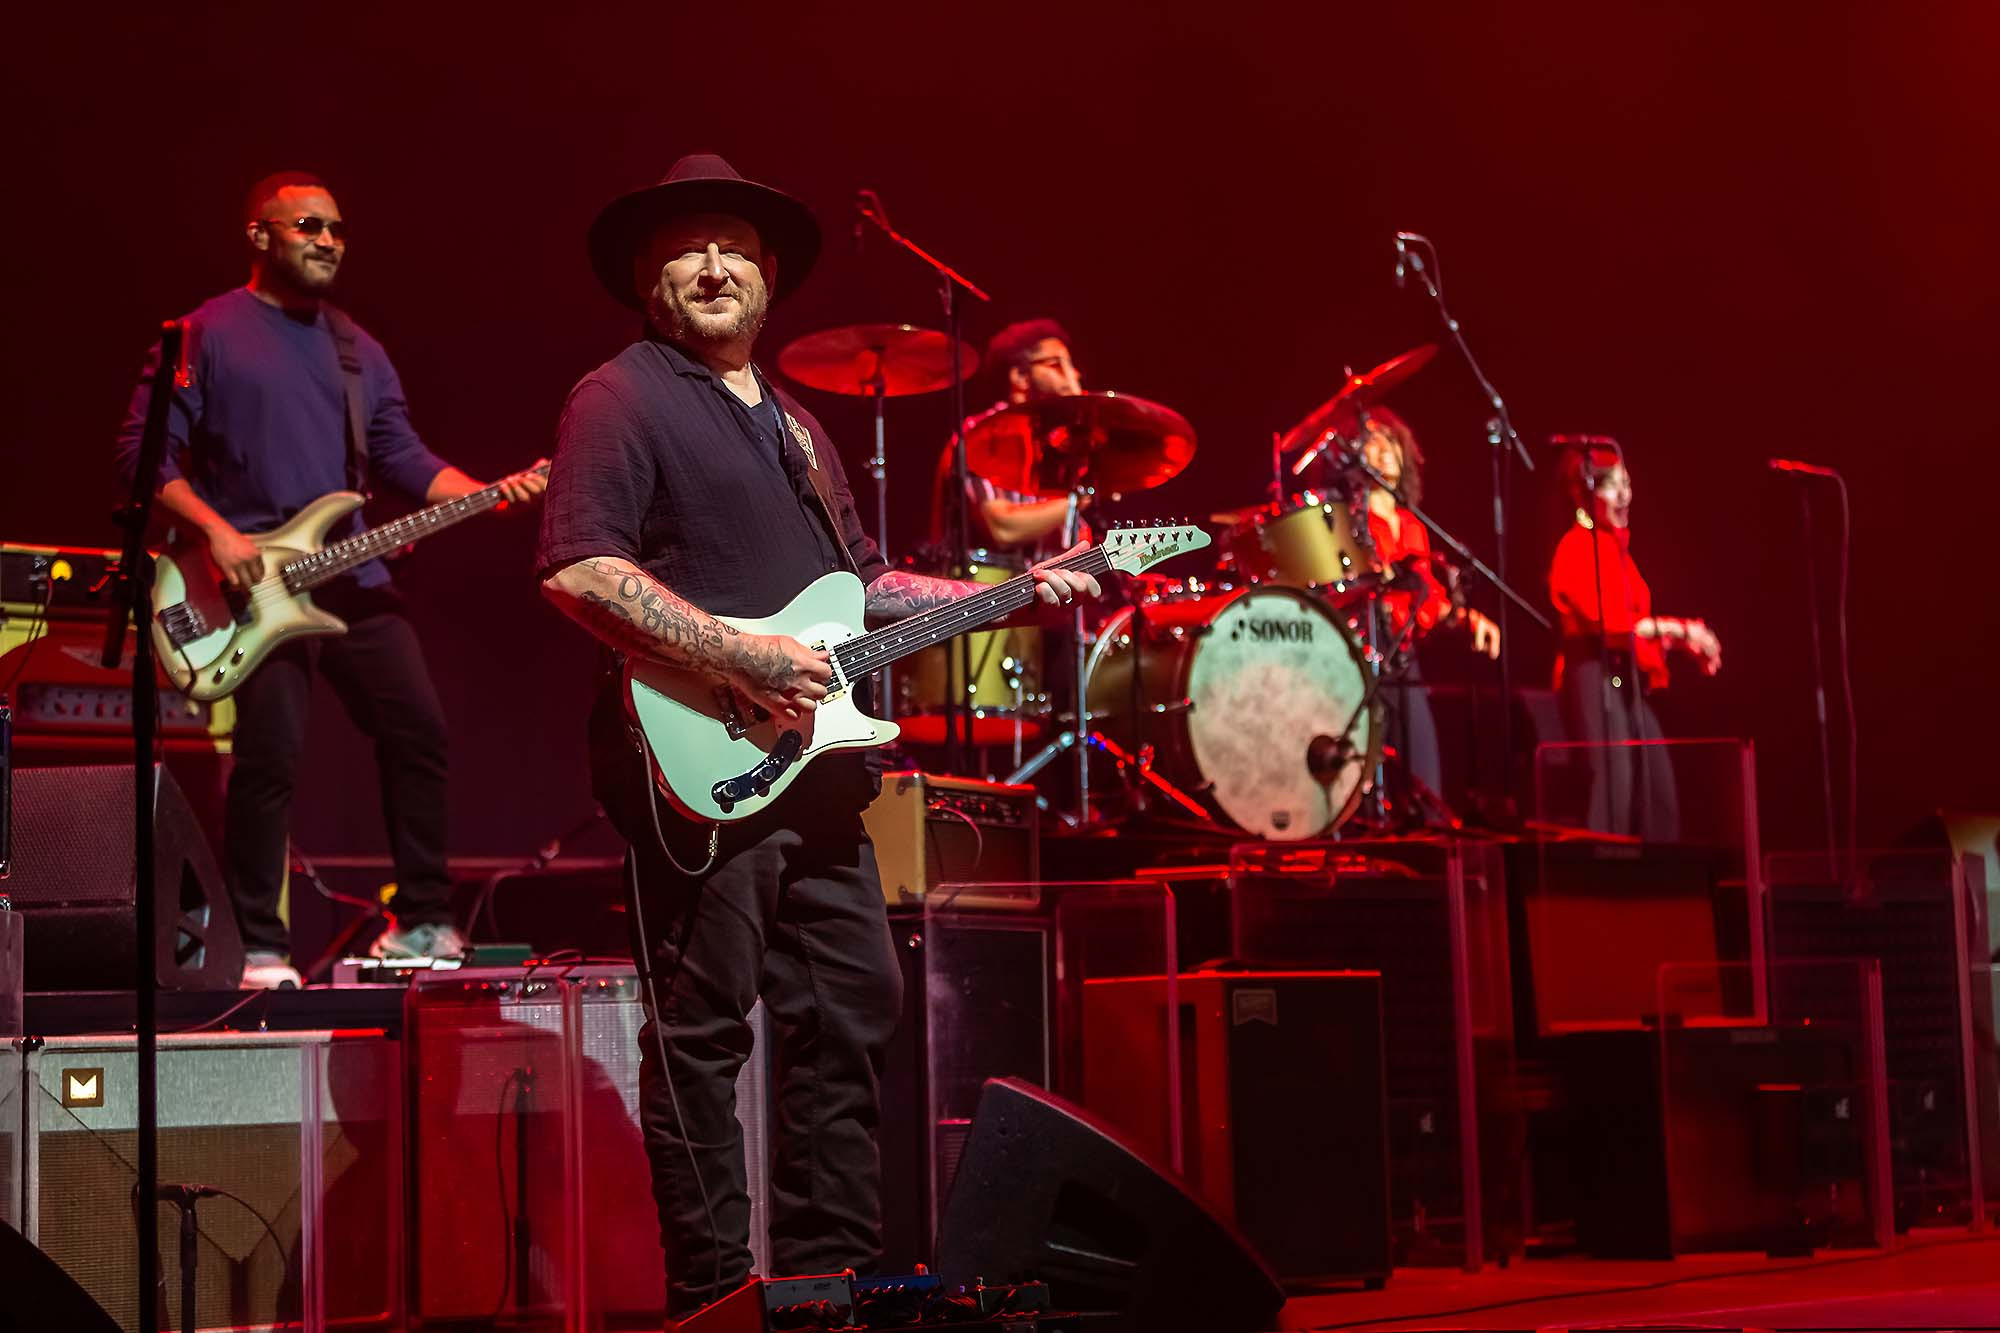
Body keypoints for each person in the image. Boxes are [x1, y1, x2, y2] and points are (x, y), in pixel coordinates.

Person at [535, 154, 1101, 1317]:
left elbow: (862, 587)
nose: (712, 266)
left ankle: (823, 1287)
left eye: (734, 249)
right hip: (701, 764)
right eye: (686, 248)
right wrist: (740, 657)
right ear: (646, 279)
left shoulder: (797, 428)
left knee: (850, 1009)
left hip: (818, 772)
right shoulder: (619, 396)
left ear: (768, 277)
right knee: (702, 1032)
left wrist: (1006, 591)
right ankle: (713, 1300)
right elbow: (580, 571)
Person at [113, 171, 547, 990]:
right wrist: (216, 533)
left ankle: (421, 920)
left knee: (418, 729)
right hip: (248, 588)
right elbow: (143, 458)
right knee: (270, 757)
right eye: (309, 226)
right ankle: (257, 946)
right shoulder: (205, 333)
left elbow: (402, 458)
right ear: (260, 235)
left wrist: (491, 494)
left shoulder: (357, 351)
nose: (328, 241)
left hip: (349, 573)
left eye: (338, 229)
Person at [1546, 443, 1720, 838]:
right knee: (1613, 788)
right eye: (1613, 486)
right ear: (1585, 493)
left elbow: (1637, 626)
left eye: (1627, 484)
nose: (1625, 495)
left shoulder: (1617, 549)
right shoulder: (1575, 548)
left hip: (1625, 676)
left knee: (1657, 793)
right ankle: (1608, 868)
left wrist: (1684, 641)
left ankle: (1658, 871)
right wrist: (1681, 631)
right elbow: (1612, 623)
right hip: (1593, 674)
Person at [1354, 408, 1500, 812]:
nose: (1385, 450)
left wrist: (1466, 618)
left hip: (1405, 659)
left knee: (1425, 779)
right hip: (1363, 656)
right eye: (1372, 440)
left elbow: (1428, 601)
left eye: (1392, 441)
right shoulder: (1350, 521)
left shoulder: (1413, 525)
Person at [929, 319, 1087, 558]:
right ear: (1020, 376)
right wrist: (1080, 499)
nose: (1074, 374)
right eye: (1057, 364)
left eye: (1071, 364)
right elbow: (1002, 529)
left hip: (1046, 577)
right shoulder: (981, 434)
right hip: (986, 579)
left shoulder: (1057, 442)